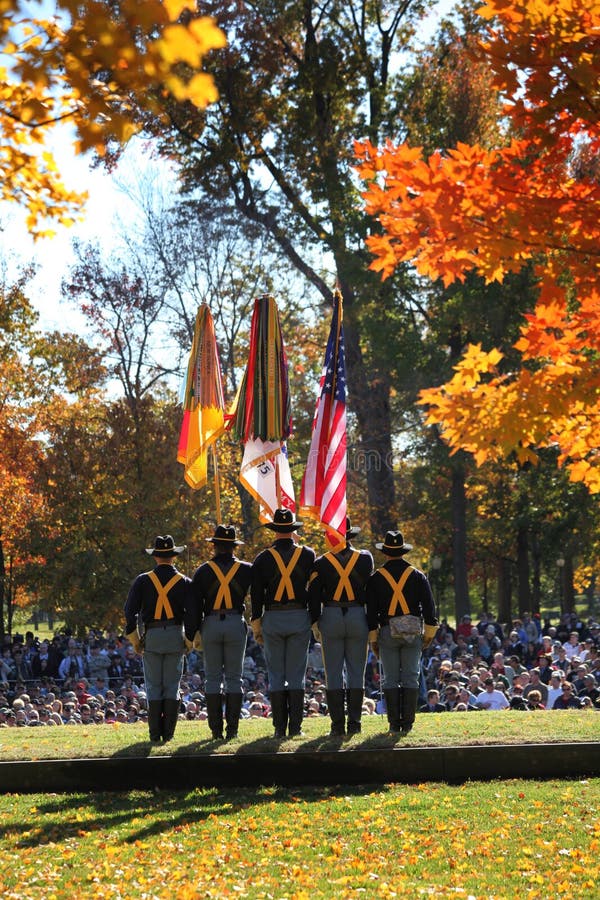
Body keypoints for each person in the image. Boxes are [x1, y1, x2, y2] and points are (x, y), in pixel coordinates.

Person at [250, 508, 316, 738]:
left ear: (275, 531)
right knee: (297, 675)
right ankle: (295, 728)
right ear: (293, 530)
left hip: (273, 618)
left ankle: (279, 728)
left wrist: (256, 624)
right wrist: (314, 618)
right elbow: (315, 591)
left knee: (276, 674)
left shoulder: (263, 558)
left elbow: (256, 595)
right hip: (299, 615)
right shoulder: (308, 555)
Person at [366, 530, 438, 735]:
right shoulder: (417, 575)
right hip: (413, 631)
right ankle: (408, 723)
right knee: (411, 677)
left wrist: (373, 640)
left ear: (386, 552)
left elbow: (371, 612)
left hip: (388, 631)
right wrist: (429, 634)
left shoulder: (376, 578)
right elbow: (430, 608)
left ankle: (393, 723)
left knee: (389, 679)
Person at [308, 516, 374, 736]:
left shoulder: (321, 562)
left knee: (333, 673)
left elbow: (314, 594)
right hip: (357, 614)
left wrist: (315, 621)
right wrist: (372, 623)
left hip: (331, 615)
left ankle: (337, 726)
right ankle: (354, 724)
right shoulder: (365, 559)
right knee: (357, 673)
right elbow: (370, 592)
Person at [124, 534, 192, 743]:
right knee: (172, 685)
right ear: (173, 557)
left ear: (155, 557)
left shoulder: (143, 580)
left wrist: (135, 640)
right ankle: (168, 735)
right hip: (174, 634)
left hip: (152, 635)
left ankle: (155, 735)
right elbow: (192, 613)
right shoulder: (184, 581)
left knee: (153, 685)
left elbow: (129, 611)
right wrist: (189, 640)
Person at [190, 524, 252, 740]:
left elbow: (195, 605)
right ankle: (232, 730)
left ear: (214, 546)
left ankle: (216, 731)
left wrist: (194, 632)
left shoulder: (203, 571)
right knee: (235, 678)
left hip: (211, 623)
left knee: (213, 679)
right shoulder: (246, 569)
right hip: (235, 621)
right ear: (234, 547)